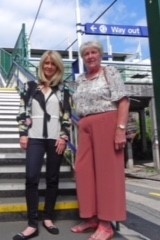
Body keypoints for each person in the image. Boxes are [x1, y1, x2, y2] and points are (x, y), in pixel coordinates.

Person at [71, 40, 130, 240]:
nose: (90, 56)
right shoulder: (80, 80)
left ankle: (106, 223)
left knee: (107, 174)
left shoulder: (109, 72)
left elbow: (123, 100)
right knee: (83, 170)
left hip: (107, 121)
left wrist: (120, 129)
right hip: (85, 125)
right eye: (86, 53)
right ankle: (92, 217)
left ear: (100, 54)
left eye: (93, 52)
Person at [13, 50, 71, 240]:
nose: (48, 67)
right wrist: (23, 133)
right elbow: (22, 111)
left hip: (56, 138)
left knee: (53, 178)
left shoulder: (64, 89)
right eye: (46, 63)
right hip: (34, 137)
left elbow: (67, 115)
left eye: (52, 64)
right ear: (41, 65)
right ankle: (32, 223)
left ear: (57, 67)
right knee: (31, 177)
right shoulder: (30, 87)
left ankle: (48, 218)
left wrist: (64, 136)